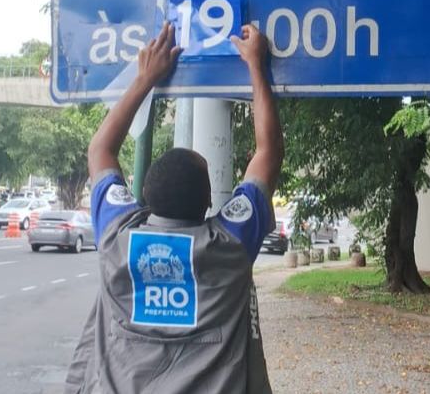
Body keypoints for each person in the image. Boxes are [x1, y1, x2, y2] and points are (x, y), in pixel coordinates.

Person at [65, 22, 283, 394]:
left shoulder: (117, 235)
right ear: (206, 204)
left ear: (146, 196)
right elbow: (269, 152)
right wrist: (255, 64)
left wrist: (145, 77)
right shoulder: (230, 244)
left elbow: (99, 150)